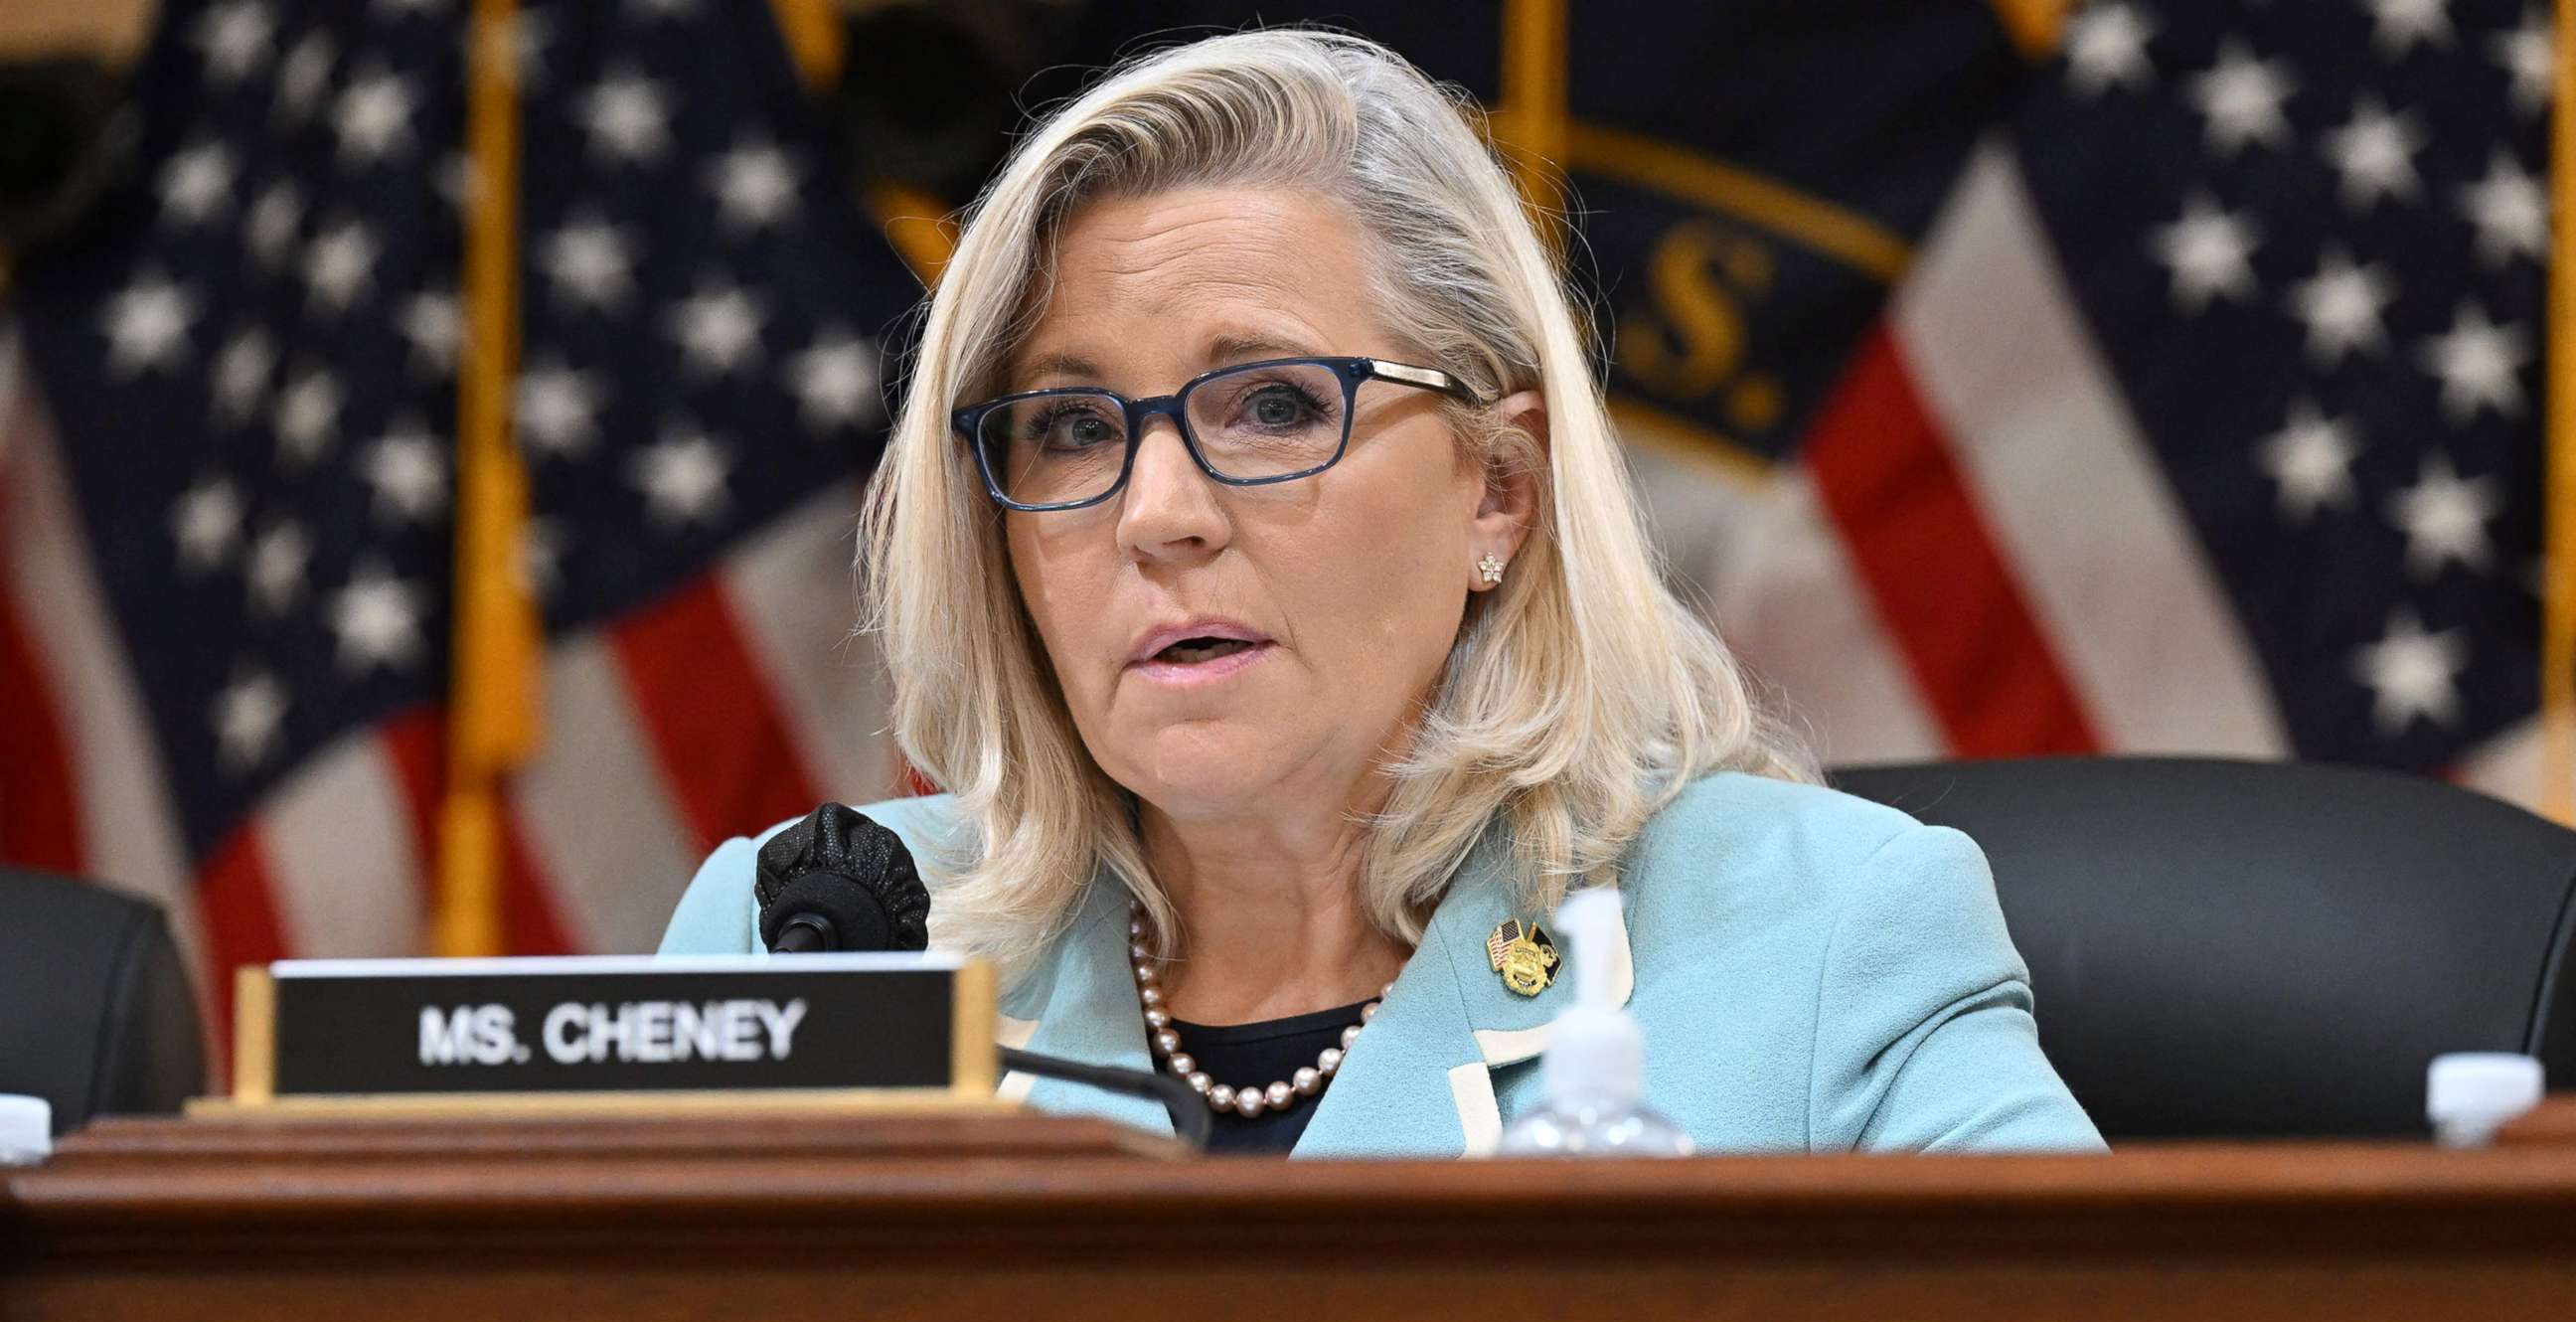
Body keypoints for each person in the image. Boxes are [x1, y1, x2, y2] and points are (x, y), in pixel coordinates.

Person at [660, 27, 2102, 1157]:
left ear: (1499, 489)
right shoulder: (820, 950)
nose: (1157, 515)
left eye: (1275, 406)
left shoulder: (1822, 941)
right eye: (1076, 427)